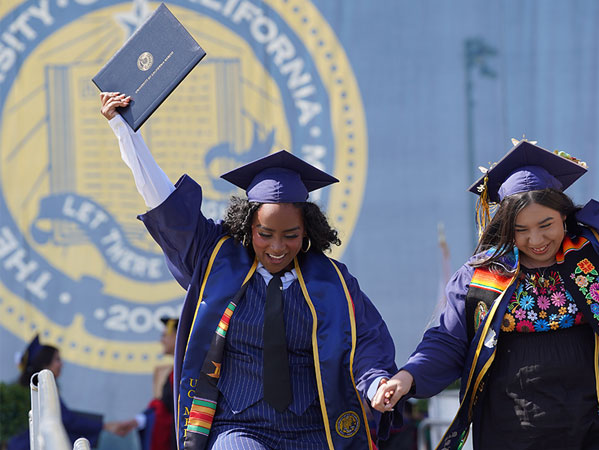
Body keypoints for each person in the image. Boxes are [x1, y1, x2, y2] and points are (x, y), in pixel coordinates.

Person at [373, 54, 599, 450]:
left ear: (564, 216)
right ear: (504, 228)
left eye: (546, 226)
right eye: (520, 230)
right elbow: (445, 342)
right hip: (514, 429)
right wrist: (406, 378)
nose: (536, 239)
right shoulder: (482, 275)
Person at [100, 93, 400, 450]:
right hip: (239, 427)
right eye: (265, 234)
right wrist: (124, 130)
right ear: (247, 227)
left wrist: (376, 383)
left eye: (291, 236)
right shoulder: (216, 260)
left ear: (308, 232)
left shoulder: (332, 282)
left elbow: (365, 343)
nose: (277, 247)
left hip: (314, 431)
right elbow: (164, 202)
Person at [7, 336, 136, 450]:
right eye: (57, 359)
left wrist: (104, 426)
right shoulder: (36, 390)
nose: (61, 364)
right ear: (45, 364)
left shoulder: (37, 388)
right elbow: (67, 420)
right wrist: (105, 426)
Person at [135, 317, 180, 450]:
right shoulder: (172, 372)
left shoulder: (185, 371)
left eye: (165, 335)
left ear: (177, 336)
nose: (161, 340)